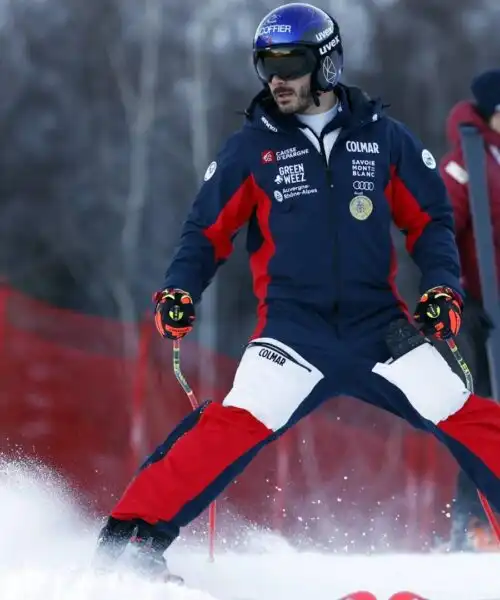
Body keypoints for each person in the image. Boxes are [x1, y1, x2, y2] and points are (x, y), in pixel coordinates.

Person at [95, 3, 500, 579]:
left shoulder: (385, 139)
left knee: (459, 410)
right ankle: (129, 543)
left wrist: (442, 288)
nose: (277, 79)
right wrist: (179, 290)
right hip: (292, 329)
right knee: (237, 421)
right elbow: (205, 232)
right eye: (267, 65)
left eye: (291, 63)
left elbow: (431, 221)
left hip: (378, 327)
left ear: (327, 64)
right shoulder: (251, 148)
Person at [440, 69, 500, 551]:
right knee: (486, 412)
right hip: (482, 310)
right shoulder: (467, 164)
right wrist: (459, 295)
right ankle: (472, 524)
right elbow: (440, 234)